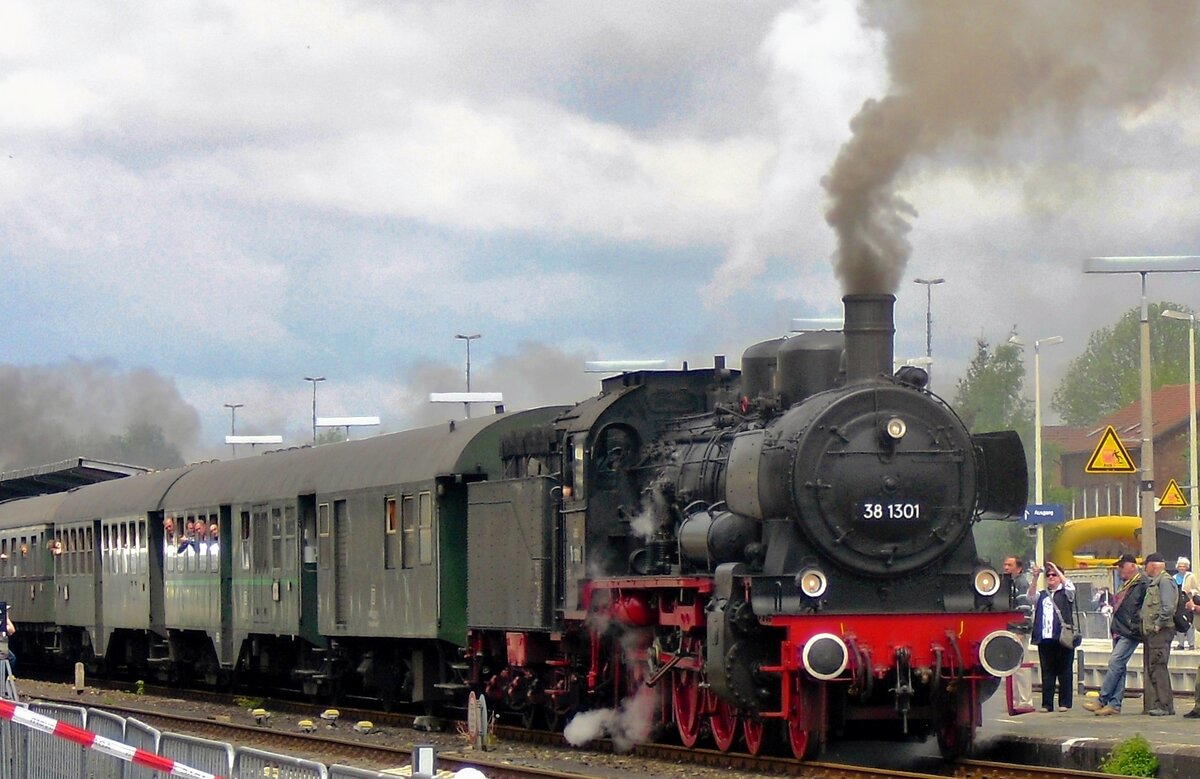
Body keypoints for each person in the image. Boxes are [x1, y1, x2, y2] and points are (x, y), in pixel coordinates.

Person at [1085, 554, 1145, 716]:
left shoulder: (1142, 583)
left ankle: (1102, 699)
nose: (1119, 570)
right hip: (1118, 629)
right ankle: (1115, 704)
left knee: (1115, 662)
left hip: (1130, 631)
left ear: (1132, 566)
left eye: (1121, 566)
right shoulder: (1126, 585)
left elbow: (1142, 608)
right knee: (1120, 667)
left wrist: (1135, 624)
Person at [1028, 560, 1077, 711]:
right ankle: (1047, 704)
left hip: (1062, 637)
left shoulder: (1066, 593)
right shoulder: (1042, 595)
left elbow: (1070, 586)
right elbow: (1030, 596)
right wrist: (1035, 577)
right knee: (1047, 672)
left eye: (1054, 575)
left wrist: (1057, 568)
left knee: (1065, 671)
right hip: (1045, 638)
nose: (1050, 577)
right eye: (1048, 575)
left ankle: (1065, 703)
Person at [1140, 552, 1178, 715]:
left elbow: (1168, 607)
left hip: (1160, 632)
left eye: (1145, 565)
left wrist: (1157, 625)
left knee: (1159, 667)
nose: (1144, 569)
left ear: (1152, 565)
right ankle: (1160, 703)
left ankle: (1164, 705)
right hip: (1154, 633)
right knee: (1154, 668)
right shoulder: (1155, 583)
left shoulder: (1165, 582)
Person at [1002, 556, 1035, 712]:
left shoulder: (1021, 583)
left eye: (1010, 565)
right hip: (1011, 629)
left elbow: (1025, 607)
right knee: (1013, 666)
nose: (1006, 567)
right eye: (1005, 564)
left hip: (1018, 629)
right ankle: (1016, 699)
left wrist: (1021, 629)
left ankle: (1025, 700)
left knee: (1021, 665)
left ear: (1019, 568)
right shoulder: (1010, 583)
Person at [1173, 557, 1197, 650]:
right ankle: (1181, 644)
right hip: (1178, 603)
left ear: (1187, 567)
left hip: (1188, 601)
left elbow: (1197, 589)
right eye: (1180, 566)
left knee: (1189, 623)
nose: (1182, 568)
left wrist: (1190, 592)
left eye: (1184, 566)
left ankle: (1191, 644)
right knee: (1179, 622)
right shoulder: (1174, 577)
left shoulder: (1191, 576)